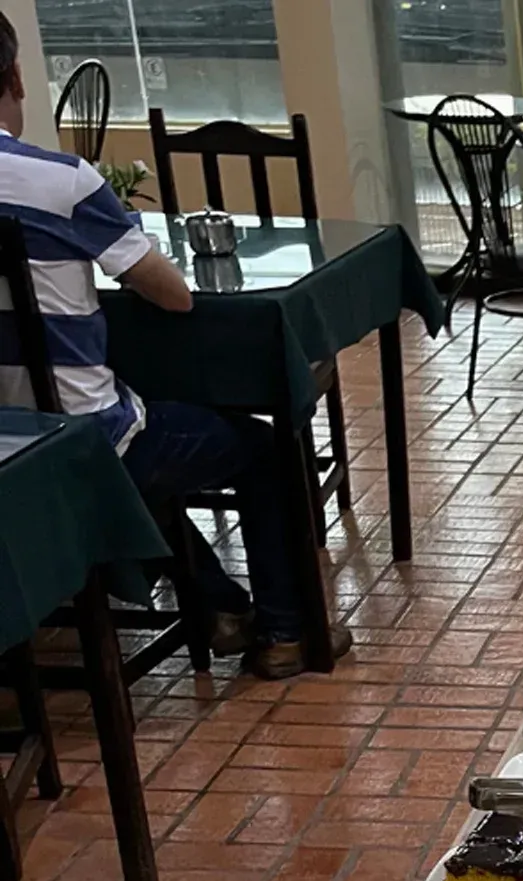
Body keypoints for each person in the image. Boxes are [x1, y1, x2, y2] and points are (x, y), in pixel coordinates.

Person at [0, 9, 326, 679]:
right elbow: (174, 296)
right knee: (259, 451)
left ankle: (218, 606)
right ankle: (286, 633)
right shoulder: (58, 182)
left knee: (145, 428)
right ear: (13, 78)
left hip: (7, 446)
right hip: (78, 443)